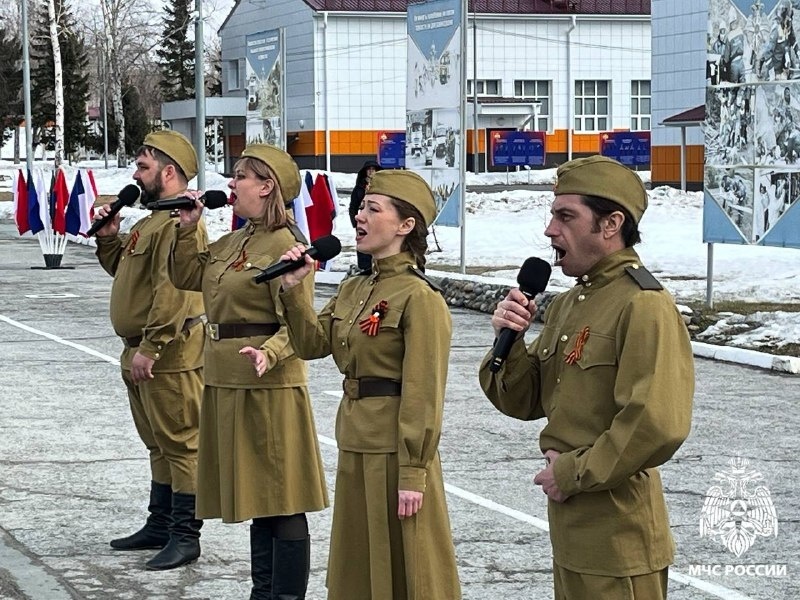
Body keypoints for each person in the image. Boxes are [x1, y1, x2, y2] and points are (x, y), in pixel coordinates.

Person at [478, 156, 694, 600]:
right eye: (552, 215)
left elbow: (656, 423)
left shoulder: (644, 305)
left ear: (611, 223)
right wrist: (509, 341)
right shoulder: (569, 303)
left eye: (565, 216)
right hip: (572, 530)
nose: (550, 230)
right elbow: (525, 400)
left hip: (619, 536)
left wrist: (572, 473)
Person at [277, 170, 461, 599]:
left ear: (405, 225)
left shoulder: (420, 298)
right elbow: (311, 343)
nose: (358, 216)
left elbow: (424, 391)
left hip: (396, 448)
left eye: (372, 209)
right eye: (360, 207)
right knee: (358, 558)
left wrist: (414, 471)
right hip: (355, 439)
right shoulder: (355, 286)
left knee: (407, 563)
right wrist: (293, 289)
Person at [167, 143, 328, 599]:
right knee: (259, 496)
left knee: (283, 495)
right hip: (225, 378)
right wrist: (188, 229)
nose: (231, 184)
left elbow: (296, 318)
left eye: (241, 176)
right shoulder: (235, 239)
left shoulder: (287, 244)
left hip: (268, 383)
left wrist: (270, 353)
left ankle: (286, 595)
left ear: (267, 186)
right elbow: (187, 277)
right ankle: (264, 592)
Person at [93, 130, 207, 571]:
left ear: (169, 171)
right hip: (138, 350)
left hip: (168, 355)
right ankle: (159, 524)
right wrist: (109, 237)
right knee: (157, 443)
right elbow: (126, 274)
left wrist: (154, 346)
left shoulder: (182, 226)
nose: (136, 175)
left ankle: (185, 535)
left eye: (143, 167)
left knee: (181, 444)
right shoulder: (149, 222)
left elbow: (176, 292)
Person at [348, 160, 382, 272]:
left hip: (378, 219)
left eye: (374, 169)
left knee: (380, 243)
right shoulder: (359, 188)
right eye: (369, 169)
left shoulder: (382, 186)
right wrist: (355, 222)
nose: (371, 172)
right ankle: (365, 268)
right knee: (364, 243)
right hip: (364, 220)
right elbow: (353, 206)